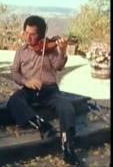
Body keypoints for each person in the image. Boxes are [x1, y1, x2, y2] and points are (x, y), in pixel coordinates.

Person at [6, 15, 81, 165]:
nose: (28, 37)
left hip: (49, 90)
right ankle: (40, 124)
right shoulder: (21, 51)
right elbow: (14, 73)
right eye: (26, 33)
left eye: (32, 34)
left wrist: (63, 51)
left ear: (40, 35)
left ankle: (67, 147)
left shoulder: (50, 49)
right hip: (29, 89)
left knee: (66, 107)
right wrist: (26, 81)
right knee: (14, 101)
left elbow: (58, 66)